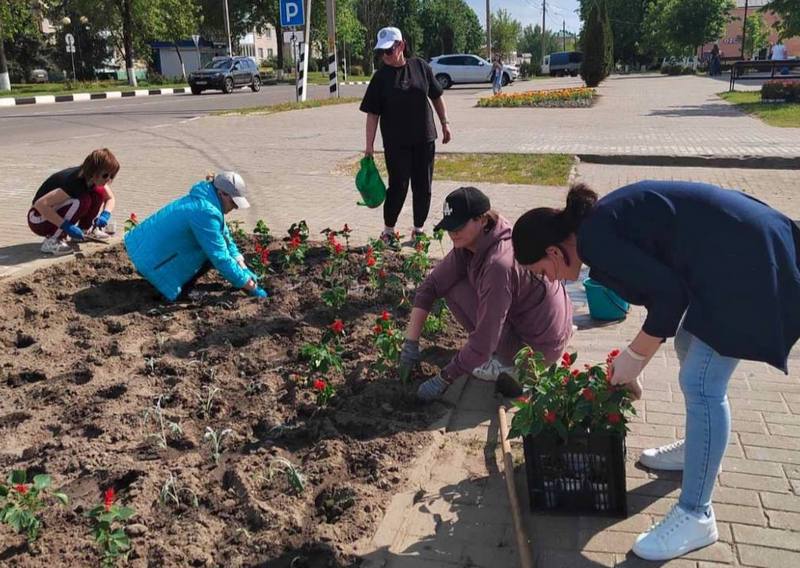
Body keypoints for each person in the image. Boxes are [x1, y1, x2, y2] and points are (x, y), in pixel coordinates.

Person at [511, 181, 800, 561]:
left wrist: (635, 358)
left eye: (540, 271)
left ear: (553, 251)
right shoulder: (595, 231)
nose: (546, 280)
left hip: (748, 264)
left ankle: (697, 515)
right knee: (686, 346)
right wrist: (637, 355)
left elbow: (670, 296)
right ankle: (694, 450)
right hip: (737, 254)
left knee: (701, 381)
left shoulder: (595, 239)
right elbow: (664, 290)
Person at [400, 187, 574, 402]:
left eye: (460, 225)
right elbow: (430, 286)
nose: (453, 233)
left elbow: (484, 340)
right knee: (447, 281)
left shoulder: (498, 265)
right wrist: (410, 345)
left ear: (482, 220)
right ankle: (499, 357)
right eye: (449, 227)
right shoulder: (477, 241)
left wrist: (444, 379)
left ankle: (507, 366)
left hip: (536, 349)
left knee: (455, 290)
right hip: (551, 331)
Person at [360, 26, 452, 245]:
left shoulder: (420, 66)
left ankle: (418, 230)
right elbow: (372, 114)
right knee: (398, 186)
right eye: (381, 52)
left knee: (423, 186)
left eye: (388, 51)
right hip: (396, 144)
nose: (384, 56)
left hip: (425, 139)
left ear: (400, 46)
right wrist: (369, 146)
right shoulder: (380, 77)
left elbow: (436, 97)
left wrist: (445, 123)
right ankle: (389, 231)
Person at [124, 171, 267, 302]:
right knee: (210, 253)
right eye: (233, 203)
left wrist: (243, 267)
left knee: (213, 247)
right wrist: (250, 286)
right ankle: (173, 289)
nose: (235, 208)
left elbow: (225, 237)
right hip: (152, 261)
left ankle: (178, 283)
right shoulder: (205, 212)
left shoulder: (207, 199)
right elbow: (220, 257)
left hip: (145, 250)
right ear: (222, 193)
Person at [28, 148, 120, 255]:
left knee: (98, 193)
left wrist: (105, 214)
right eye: (105, 175)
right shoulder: (73, 182)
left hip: (48, 214)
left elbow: (110, 198)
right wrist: (66, 226)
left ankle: (85, 230)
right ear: (94, 171)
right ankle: (53, 240)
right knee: (80, 201)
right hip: (37, 218)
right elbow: (40, 204)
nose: (108, 179)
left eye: (111, 176)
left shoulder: (92, 180)